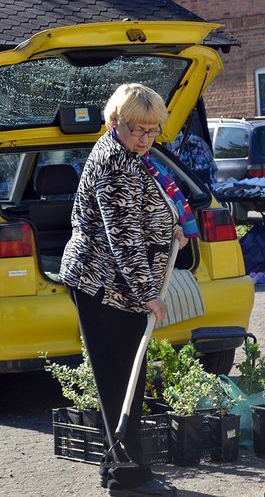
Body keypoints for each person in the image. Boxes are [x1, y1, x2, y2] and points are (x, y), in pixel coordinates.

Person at [60, 84, 194, 497]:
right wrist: (147, 293)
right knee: (122, 382)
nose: (146, 138)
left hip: (118, 287)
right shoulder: (114, 163)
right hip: (105, 286)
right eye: (138, 129)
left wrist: (170, 227)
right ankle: (129, 478)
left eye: (153, 130)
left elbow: (143, 211)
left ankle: (115, 470)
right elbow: (124, 237)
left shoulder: (131, 155)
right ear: (115, 121)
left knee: (122, 380)